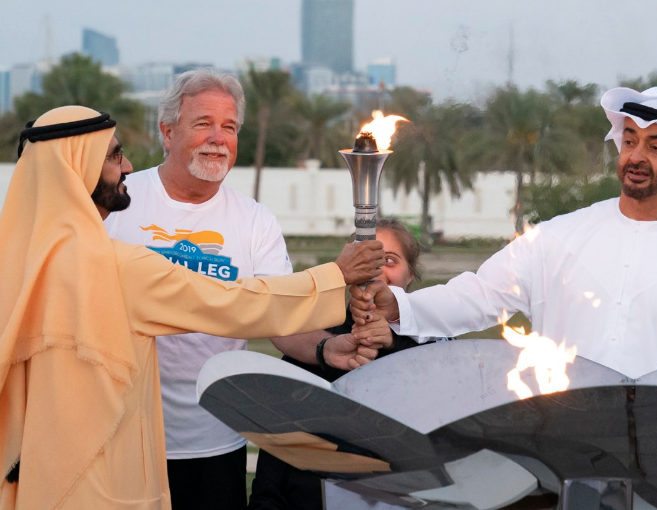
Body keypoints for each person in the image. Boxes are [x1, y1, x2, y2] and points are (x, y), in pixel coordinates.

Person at [349, 87, 657, 510]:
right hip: (565, 460)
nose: (636, 156)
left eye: (656, 146)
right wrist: (399, 306)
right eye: (630, 140)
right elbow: (480, 294)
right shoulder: (561, 236)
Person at [0, 105, 384, 510]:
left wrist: (322, 345)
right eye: (113, 156)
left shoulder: (17, 259)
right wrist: (336, 275)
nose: (127, 165)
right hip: (94, 476)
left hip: (29, 473)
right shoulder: (116, 265)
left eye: (230, 126)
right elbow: (232, 303)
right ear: (77, 169)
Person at [104, 68, 370, 509]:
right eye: (203, 123)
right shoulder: (118, 202)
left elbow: (278, 315)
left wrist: (329, 349)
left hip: (216, 439)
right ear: (167, 132)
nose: (217, 137)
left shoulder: (254, 221)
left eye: (229, 127)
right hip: (124, 436)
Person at [248, 218, 436, 510]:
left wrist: (394, 342)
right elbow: (276, 458)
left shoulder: (433, 350)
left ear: (410, 274)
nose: (376, 271)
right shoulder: (314, 347)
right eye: (366, 260)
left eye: (389, 260)